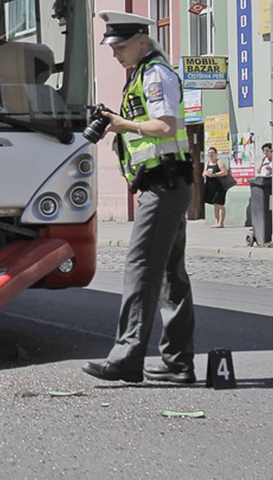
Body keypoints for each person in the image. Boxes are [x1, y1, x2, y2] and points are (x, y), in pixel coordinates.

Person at [81, 11, 196, 384]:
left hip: (164, 185)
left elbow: (165, 126)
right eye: (111, 47)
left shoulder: (155, 74)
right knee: (168, 276)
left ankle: (127, 358)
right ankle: (178, 362)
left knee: (140, 269)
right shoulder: (142, 75)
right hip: (166, 184)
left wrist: (121, 124)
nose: (114, 52)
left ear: (142, 42)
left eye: (120, 45)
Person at [203, 147, 229, 227]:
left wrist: (215, 174)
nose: (210, 154)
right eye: (209, 153)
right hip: (211, 186)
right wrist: (206, 174)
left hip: (220, 186)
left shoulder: (219, 162)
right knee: (215, 204)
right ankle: (216, 221)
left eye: (212, 153)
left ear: (215, 154)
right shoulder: (207, 163)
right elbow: (203, 173)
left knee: (220, 204)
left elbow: (224, 172)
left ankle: (221, 223)